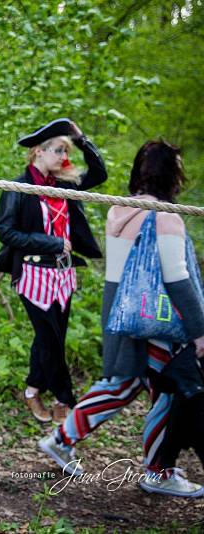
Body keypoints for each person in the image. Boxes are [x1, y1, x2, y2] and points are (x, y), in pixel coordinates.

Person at [39, 139, 204, 497]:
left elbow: (119, 273)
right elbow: (178, 282)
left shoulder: (118, 210)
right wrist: (200, 331)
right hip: (154, 319)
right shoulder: (167, 218)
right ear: (171, 174)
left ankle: (61, 438)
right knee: (168, 391)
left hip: (120, 310)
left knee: (123, 383)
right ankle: (159, 472)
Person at [0, 118, 107, 423]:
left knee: (51, 337)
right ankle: (65, 398)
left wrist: (81, 139)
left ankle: (32, 389)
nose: (62, 158)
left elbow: (99, 173)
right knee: (50, 338)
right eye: (57, 150)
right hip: (32, 275)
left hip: (63, 275)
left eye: (64, 152)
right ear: (37, 153)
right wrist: (51, 243)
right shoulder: (18, 187)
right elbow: (6, 232)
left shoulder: (65, 185)